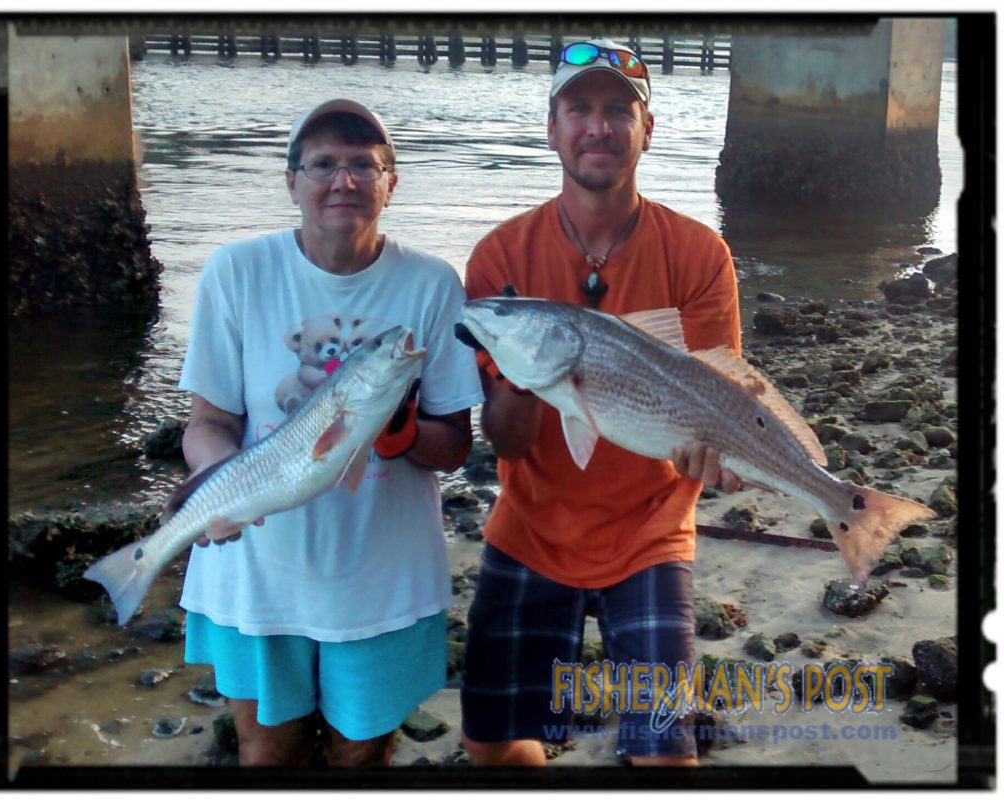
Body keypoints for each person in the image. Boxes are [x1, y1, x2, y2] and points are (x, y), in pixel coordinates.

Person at [460, 39, 743, 767]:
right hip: (530, 529)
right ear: (551, 129)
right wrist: (528, 375)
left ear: (647, 130)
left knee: (665, 758)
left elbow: (722, 395)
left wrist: (722, 457)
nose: (599, 127)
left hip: (652, 532)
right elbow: (509, 442)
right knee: (493, 749)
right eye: (578, 109)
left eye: (620, 110)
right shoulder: (501, 260)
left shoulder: (699, 254)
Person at [177, 99, 483, 767]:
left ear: (391, 184)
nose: (343, 181)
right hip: (256, 575)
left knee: (364, 758)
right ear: (291, 181)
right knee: (265, 753)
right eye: (322, 164)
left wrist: (399, 437)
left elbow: (456, 445)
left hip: (383, 578)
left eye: (363, 166)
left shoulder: (432, 285)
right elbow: (207, 424)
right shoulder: (236, 272)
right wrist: (216, 485)